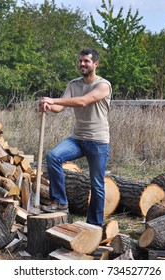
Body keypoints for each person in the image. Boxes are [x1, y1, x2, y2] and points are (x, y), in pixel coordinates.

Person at [38, 48, 112, 226]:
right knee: (53, 156)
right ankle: (60, 202)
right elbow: (60, 107)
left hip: (98, 141)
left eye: (86, 61)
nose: (82, 64)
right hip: (77, 138)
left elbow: (83, 101)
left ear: (95, 64)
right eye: (80, 61)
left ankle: (94, 225)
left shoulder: (103, 85)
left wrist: (54, 99)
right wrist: (47, 105)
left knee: (97, 185)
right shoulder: (73, 84)